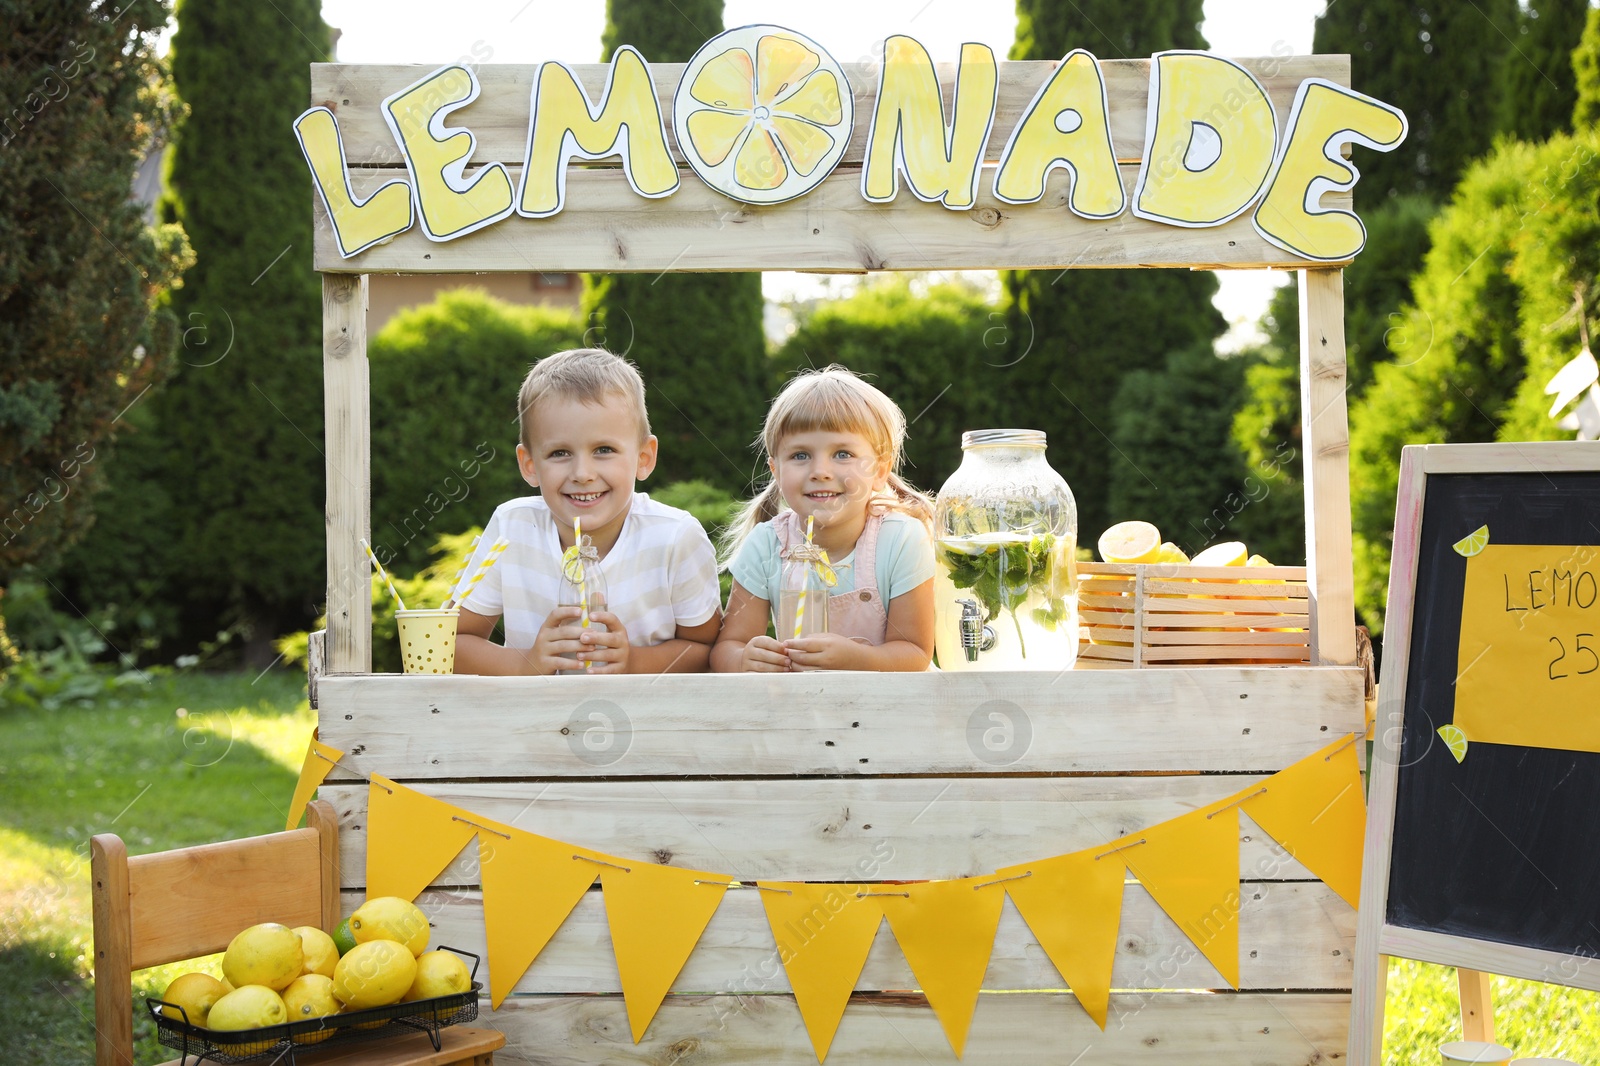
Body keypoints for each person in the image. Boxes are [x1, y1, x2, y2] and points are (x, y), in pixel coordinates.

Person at [454, 348, 721, 675]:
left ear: (644, 457)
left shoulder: (675, 537)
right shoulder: (513, 528)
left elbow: (707, 650)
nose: (582, 473)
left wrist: (635, 662)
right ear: (529, 464)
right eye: (560, 452)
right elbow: (453, 642)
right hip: (534, 723)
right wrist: (526, 663)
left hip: (647, 723)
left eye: (604, 450)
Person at [712, 366, 936, 672]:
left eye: (842, 453)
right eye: (800, 455)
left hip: (890, 711)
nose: (820, 471)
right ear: (775, 471)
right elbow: (726, 648)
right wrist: (744, 659)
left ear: (879, 471)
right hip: (802, 710)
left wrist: (856, 659)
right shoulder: (766, 545)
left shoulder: (901, 541)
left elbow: (915, 652)